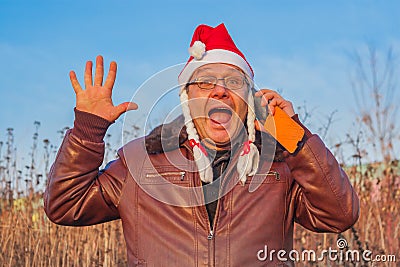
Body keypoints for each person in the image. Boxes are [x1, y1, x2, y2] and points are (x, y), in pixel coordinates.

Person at [44, 23, 359, 266]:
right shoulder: (142, 163)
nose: (220, 92)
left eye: (234, 83)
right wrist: (88, 129)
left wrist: (292, 135)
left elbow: (339, 214)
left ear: (249, 102)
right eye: (205, 82)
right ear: (187, 99)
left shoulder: (278, 168)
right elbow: (65, 205)